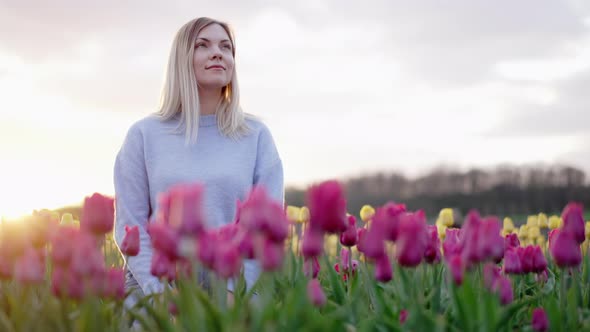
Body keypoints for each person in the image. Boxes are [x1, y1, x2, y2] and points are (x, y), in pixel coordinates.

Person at [112, 17, 284, 309]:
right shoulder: (143, 134)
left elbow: (266, 230)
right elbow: (131, 225)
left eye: (226, 47)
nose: (218, 53)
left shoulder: (256, 136)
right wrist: (162, 295)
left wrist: (233, 292)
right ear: (181, 59)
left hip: (236, 280)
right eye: (203, 45)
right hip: (156, 281)